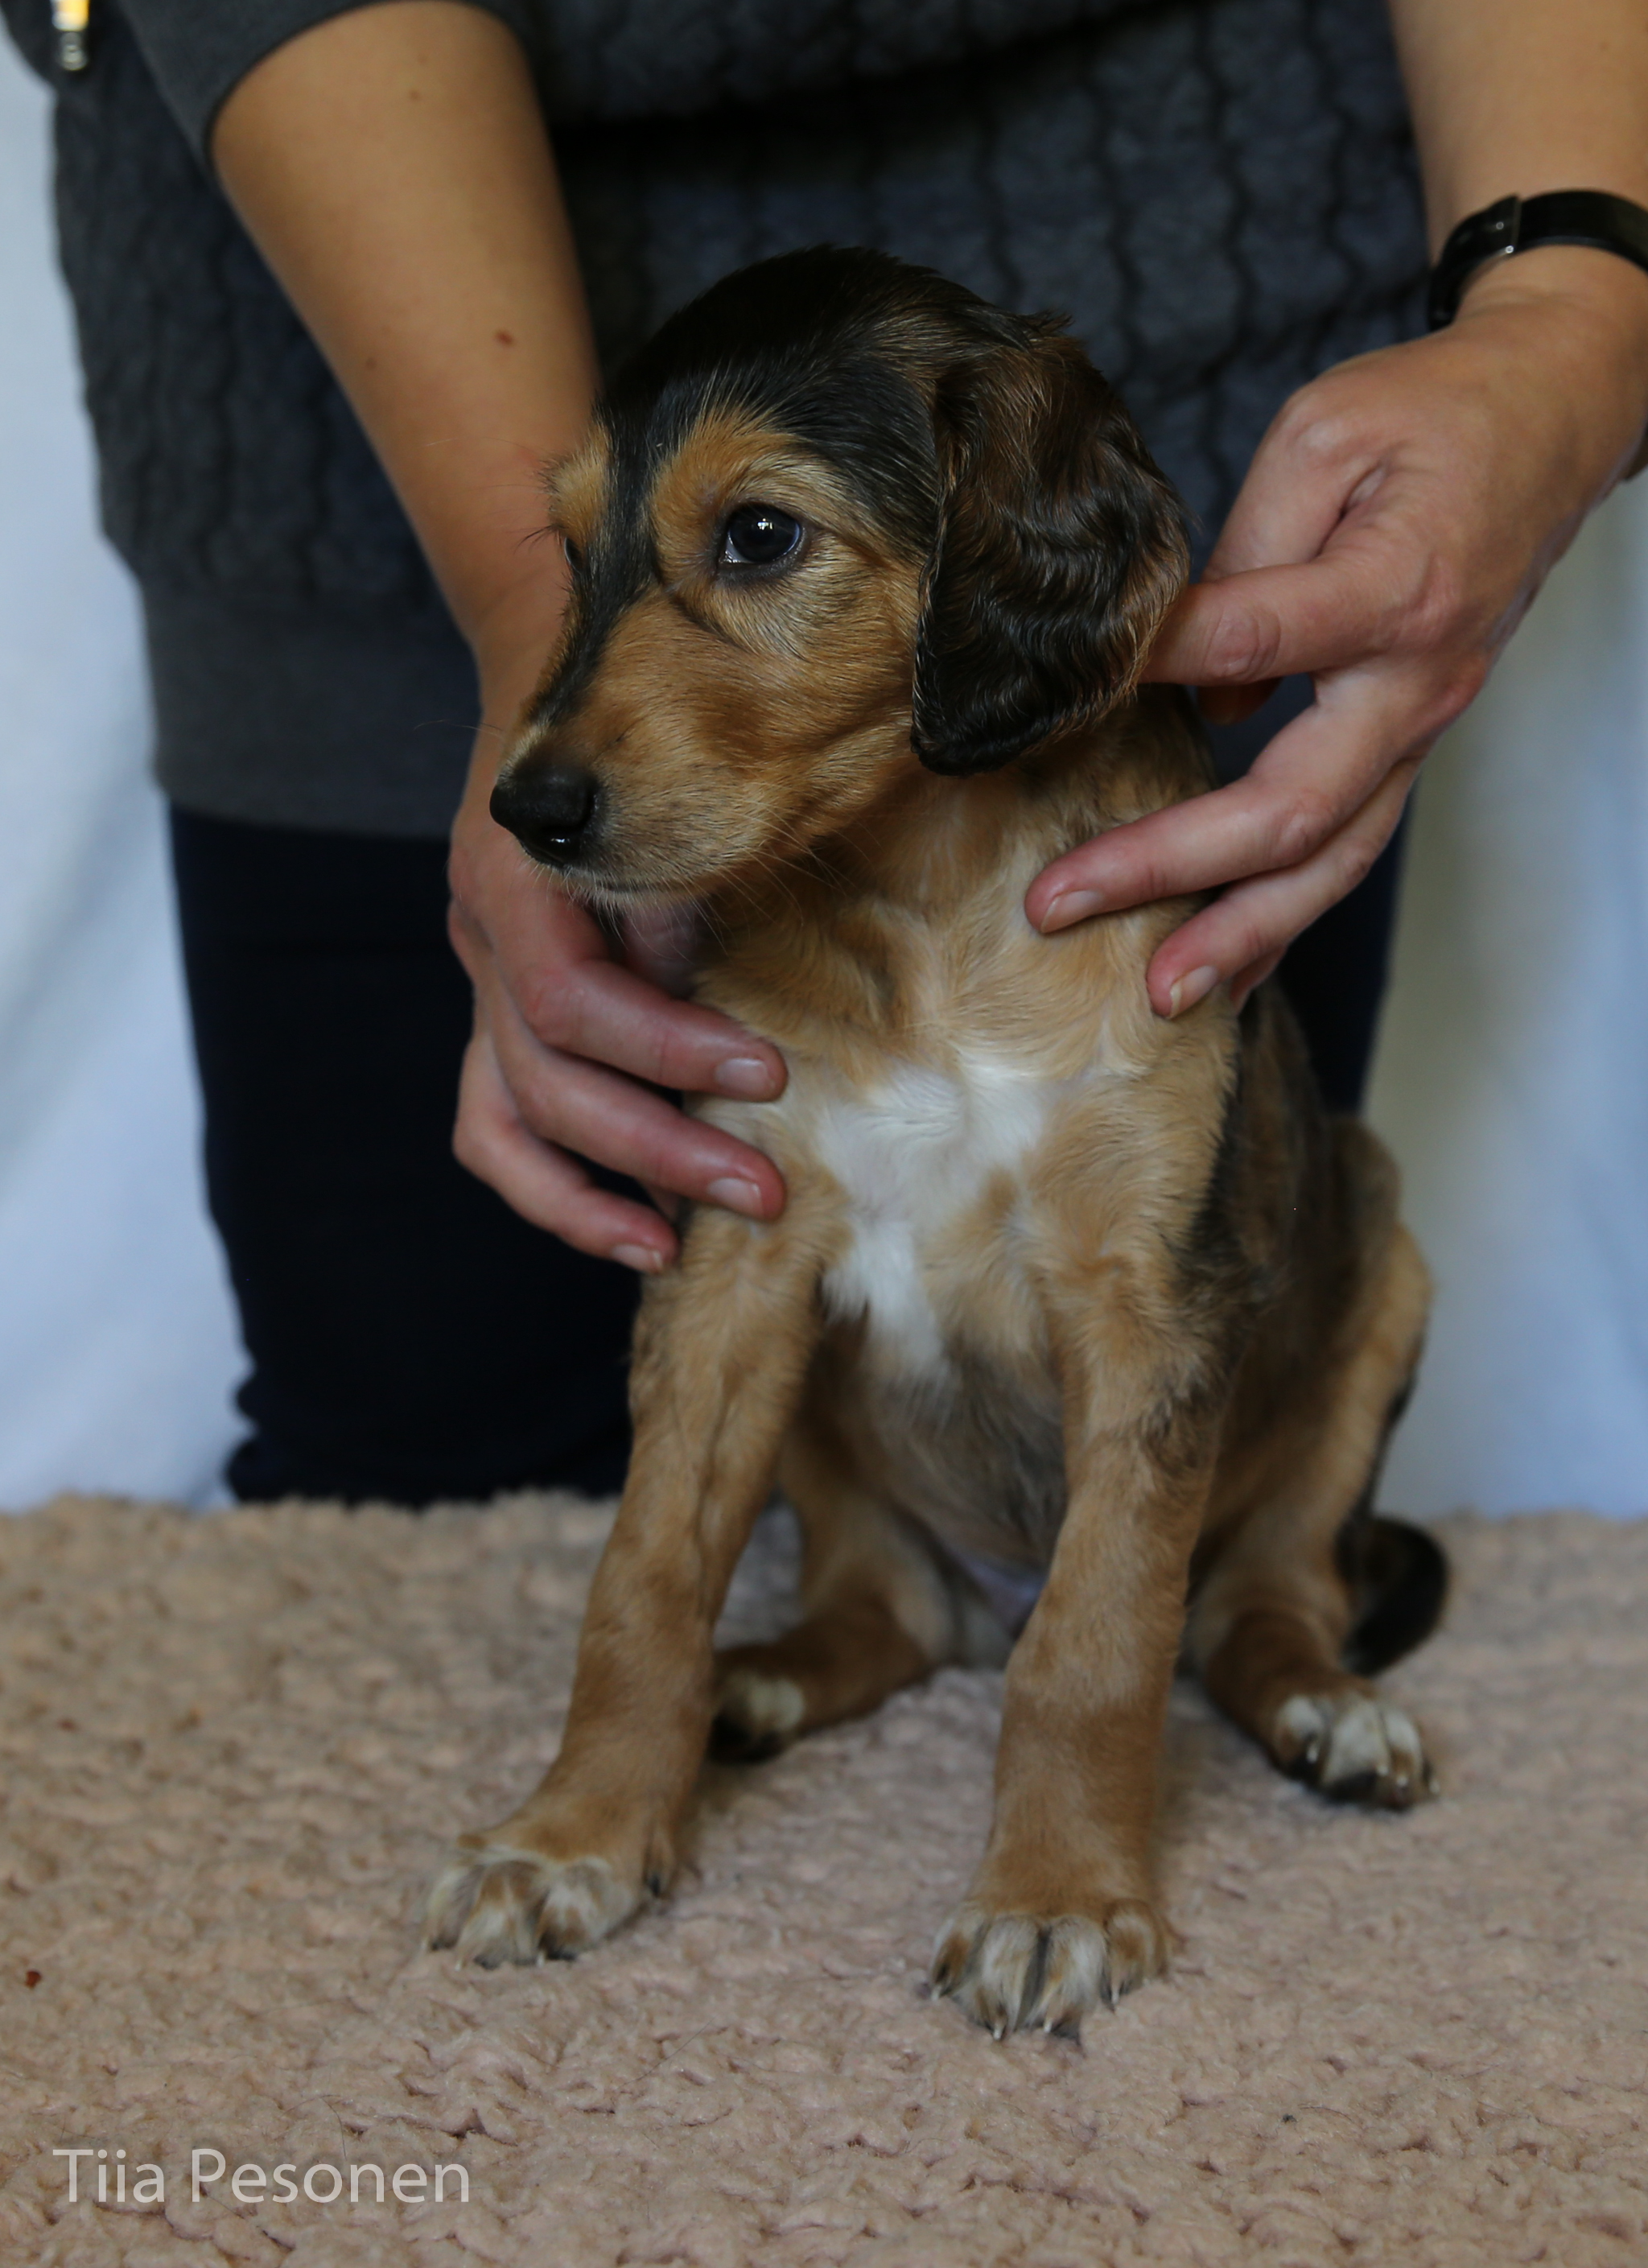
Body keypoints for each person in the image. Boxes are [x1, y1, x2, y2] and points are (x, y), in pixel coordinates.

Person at [6, 0, 1647, 1503]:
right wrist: (542, 627)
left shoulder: (1075, 536)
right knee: (429, 1476)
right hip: (388, 304)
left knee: (1149, 1398)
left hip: (1161, 374)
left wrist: (1569, 298)